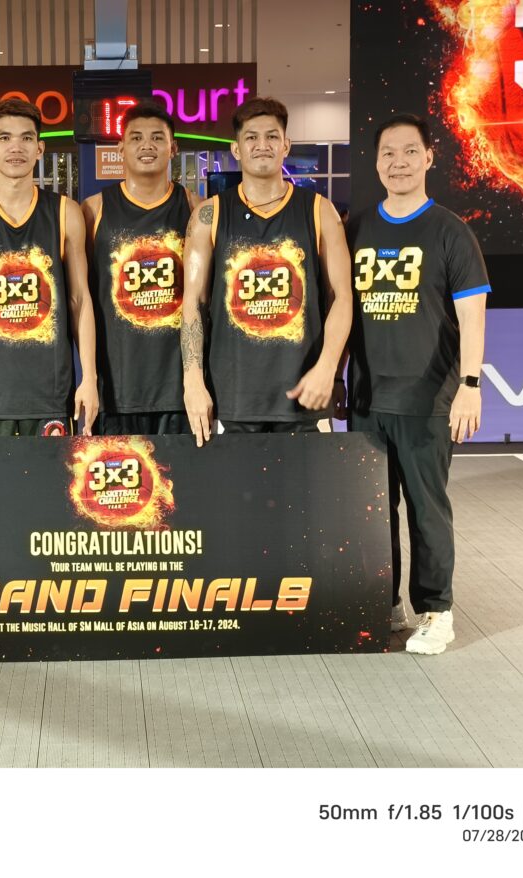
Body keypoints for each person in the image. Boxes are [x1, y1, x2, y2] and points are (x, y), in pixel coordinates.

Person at [346, 112, 489, 656]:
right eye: (388, 152)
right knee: (373, 510)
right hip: (367, 400)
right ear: (376, 161)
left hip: (428, 400)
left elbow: (472, 318)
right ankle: (385, 603)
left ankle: (436, 610)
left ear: (429, 157)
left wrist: (470, 385)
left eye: (410, 151)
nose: (398, 162)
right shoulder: (357, 227)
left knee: (427, 511)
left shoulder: (450, 231)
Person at [181, 96, 352, 445]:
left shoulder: (320, 211)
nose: (262, 145)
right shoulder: (209, 215)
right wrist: (193, 380)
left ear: (286, 145)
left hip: (305, 396)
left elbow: (342, 297)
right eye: (252, 137)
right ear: (236, 149)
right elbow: (193, 305)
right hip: (233, 399)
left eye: (272, 136)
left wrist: (328, 369)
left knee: (308, 484)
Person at [0, 98, 98, 439]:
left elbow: (80, 300)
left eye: (26, 138)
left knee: (52, 478)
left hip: (50, 396)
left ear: (39, 149)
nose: (16, 147)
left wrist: (90, 378)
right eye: (5, 137)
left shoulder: (65, 212)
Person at [81, 100, 198, 435]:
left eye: (157, 138)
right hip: (115, 392)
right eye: (136, 138)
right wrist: (87, 378)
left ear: (173, 147)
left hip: (180, 392)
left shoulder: (196, 209)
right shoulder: (93, 210)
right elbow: (80, 298)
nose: (147, 145)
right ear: (120, 148)